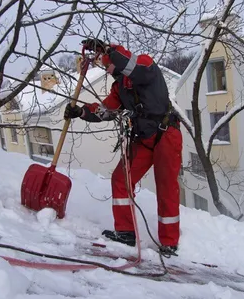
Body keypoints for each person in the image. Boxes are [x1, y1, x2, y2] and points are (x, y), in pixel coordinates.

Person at [64, 38, 183, 255]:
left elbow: (132, 66)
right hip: (144, 139)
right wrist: (81, 112)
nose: (107, 69)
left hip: (166, 134)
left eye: (108, 64)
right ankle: (126, 232)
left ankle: (169, 241)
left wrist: (110, 50)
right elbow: (106, 110)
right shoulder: (121, 88)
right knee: (121, 178)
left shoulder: (146, 67)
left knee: (166, 186)